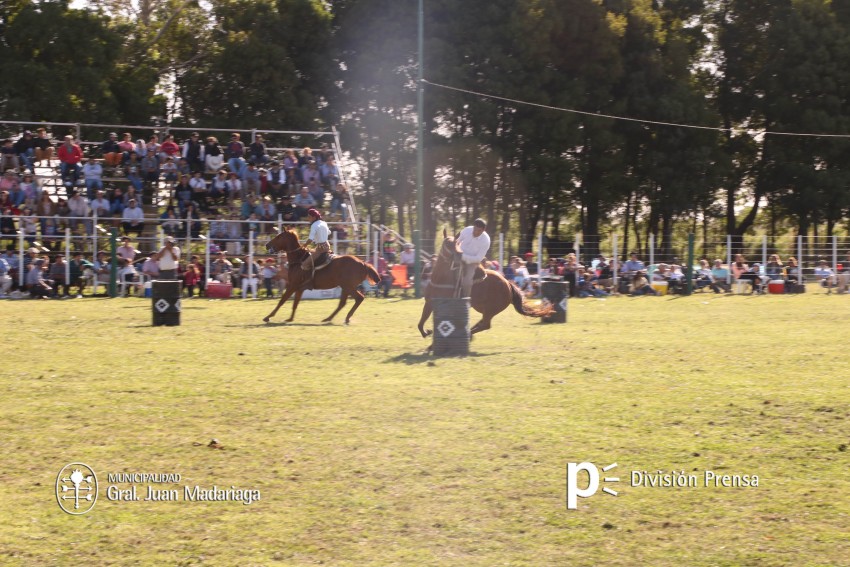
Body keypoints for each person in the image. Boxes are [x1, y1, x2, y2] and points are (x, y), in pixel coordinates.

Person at [456, 218, 491, 297]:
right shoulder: (466, 230)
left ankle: (465, 301)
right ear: (473, 227)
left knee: (467, 282)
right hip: (458, 257)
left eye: (479, 230)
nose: (475, 232)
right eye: (475, 229)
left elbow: (478, 258)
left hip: (472, 262)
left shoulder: (486, 241)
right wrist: (456, 252)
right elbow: (457, 242)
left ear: (483, 230)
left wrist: (462, 257)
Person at [300, 208, 331, 275]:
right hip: (327, 246)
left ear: (314, 217)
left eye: (309, 217)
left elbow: (310, 239)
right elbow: (329, 232)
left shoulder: (314, 225)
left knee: (304, 265)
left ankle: (310, 280)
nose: (308, 218)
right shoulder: (324, 223)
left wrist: (304, 245)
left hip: (320, 249)